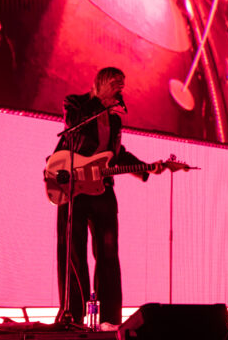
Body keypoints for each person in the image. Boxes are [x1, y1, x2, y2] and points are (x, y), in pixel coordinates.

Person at [53, 67, 163, 327]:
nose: (120, 88)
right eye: (115, 82)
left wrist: (145, 167)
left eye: (122, 84)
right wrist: (100, 105)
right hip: (74, 184)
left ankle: (110, 319)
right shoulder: (76, 104)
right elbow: (72, 126)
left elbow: (116, 153)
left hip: (102, 188)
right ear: (100, 83)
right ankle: (73, 316)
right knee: (73, 252)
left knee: (109, 253)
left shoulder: (114, 121)